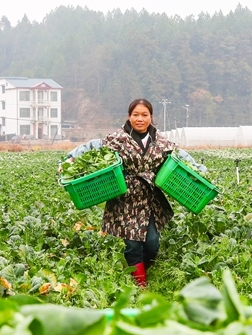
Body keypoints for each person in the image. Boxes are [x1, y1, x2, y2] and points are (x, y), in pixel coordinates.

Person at [66, 98, 206, 287]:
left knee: (152, 243)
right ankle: (140, 284)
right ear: (129, 116)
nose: (140, 119)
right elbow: (92, 147)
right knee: (132, 244)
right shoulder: (117, 138)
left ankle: (141, 269)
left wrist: (199, 171)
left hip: (149, 199)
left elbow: (181, 157)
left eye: (144, 115)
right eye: (135, 114)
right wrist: (71, 160)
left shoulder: (161, 142)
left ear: (151, 117)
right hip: (124, 198)